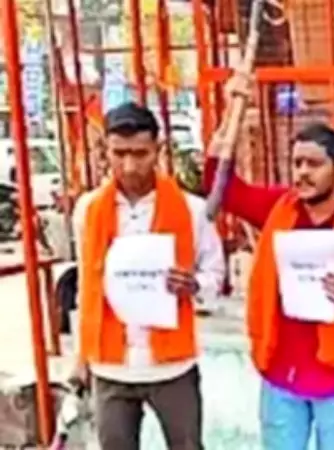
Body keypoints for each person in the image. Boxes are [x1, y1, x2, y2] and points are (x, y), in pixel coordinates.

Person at [203, 96, 334, 448]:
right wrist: (228, 123)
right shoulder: (278, 208)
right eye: (297, 163)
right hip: (282, 370)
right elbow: (225, 190)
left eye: (314, 164)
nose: (303, 173)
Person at [70, 102, 225, 450]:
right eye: (119, 153)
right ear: (105, 151)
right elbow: (87, 286)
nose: (129, 166)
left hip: (172, 366)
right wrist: (81, 358)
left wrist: (194, 285)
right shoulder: (87, 210)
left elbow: (216, 275)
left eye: (140, 154)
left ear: (159, 149)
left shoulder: (192, 210)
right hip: (110, 366)